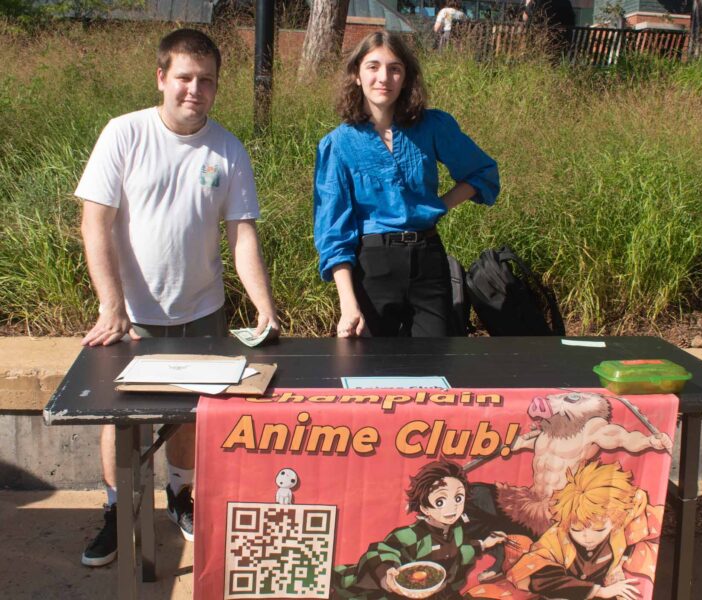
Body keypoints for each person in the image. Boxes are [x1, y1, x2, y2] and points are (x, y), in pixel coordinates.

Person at [76, 28, 281, 567]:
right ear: (162, 77)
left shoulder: (228, 148)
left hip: (201, 311)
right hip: (130, 317)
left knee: (193, 415)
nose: (195, 89)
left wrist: (263, 303)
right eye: (185, 78)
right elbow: (96, 221)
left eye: (207, 80)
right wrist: (110, 306)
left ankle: (181, 496)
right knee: (121, 423)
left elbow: (242, 235)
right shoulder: (124, 134)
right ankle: (118, 510)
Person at [313, 31, 499, 338]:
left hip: (428, 262)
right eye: (373, 66)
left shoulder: (432, 126)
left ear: (406, 77)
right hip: (372, 268)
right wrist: (348, 303)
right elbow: (333, 232)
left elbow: (482, 172)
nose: (383, 77)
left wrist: (441, 205)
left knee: (434, 368)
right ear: (357, 75)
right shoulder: (339, 144)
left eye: (394, 68)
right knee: (370, 375)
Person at [464, 461, 662, 600]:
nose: (587, 535)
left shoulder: (622, 517)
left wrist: (619, 569)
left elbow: (637, 502)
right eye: (577, 528)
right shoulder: (556, 539)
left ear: (616, 521)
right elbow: (534, 575)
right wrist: (599, 591)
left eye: (598, 529)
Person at [333, 460, 507, 599]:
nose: (452, 508)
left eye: (458, 498)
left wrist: (484, 544)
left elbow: (462, 548)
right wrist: (388, 576)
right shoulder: (412, 535)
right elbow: (380, 552)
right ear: (424, 507)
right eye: (440, 501)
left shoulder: (457, 530)